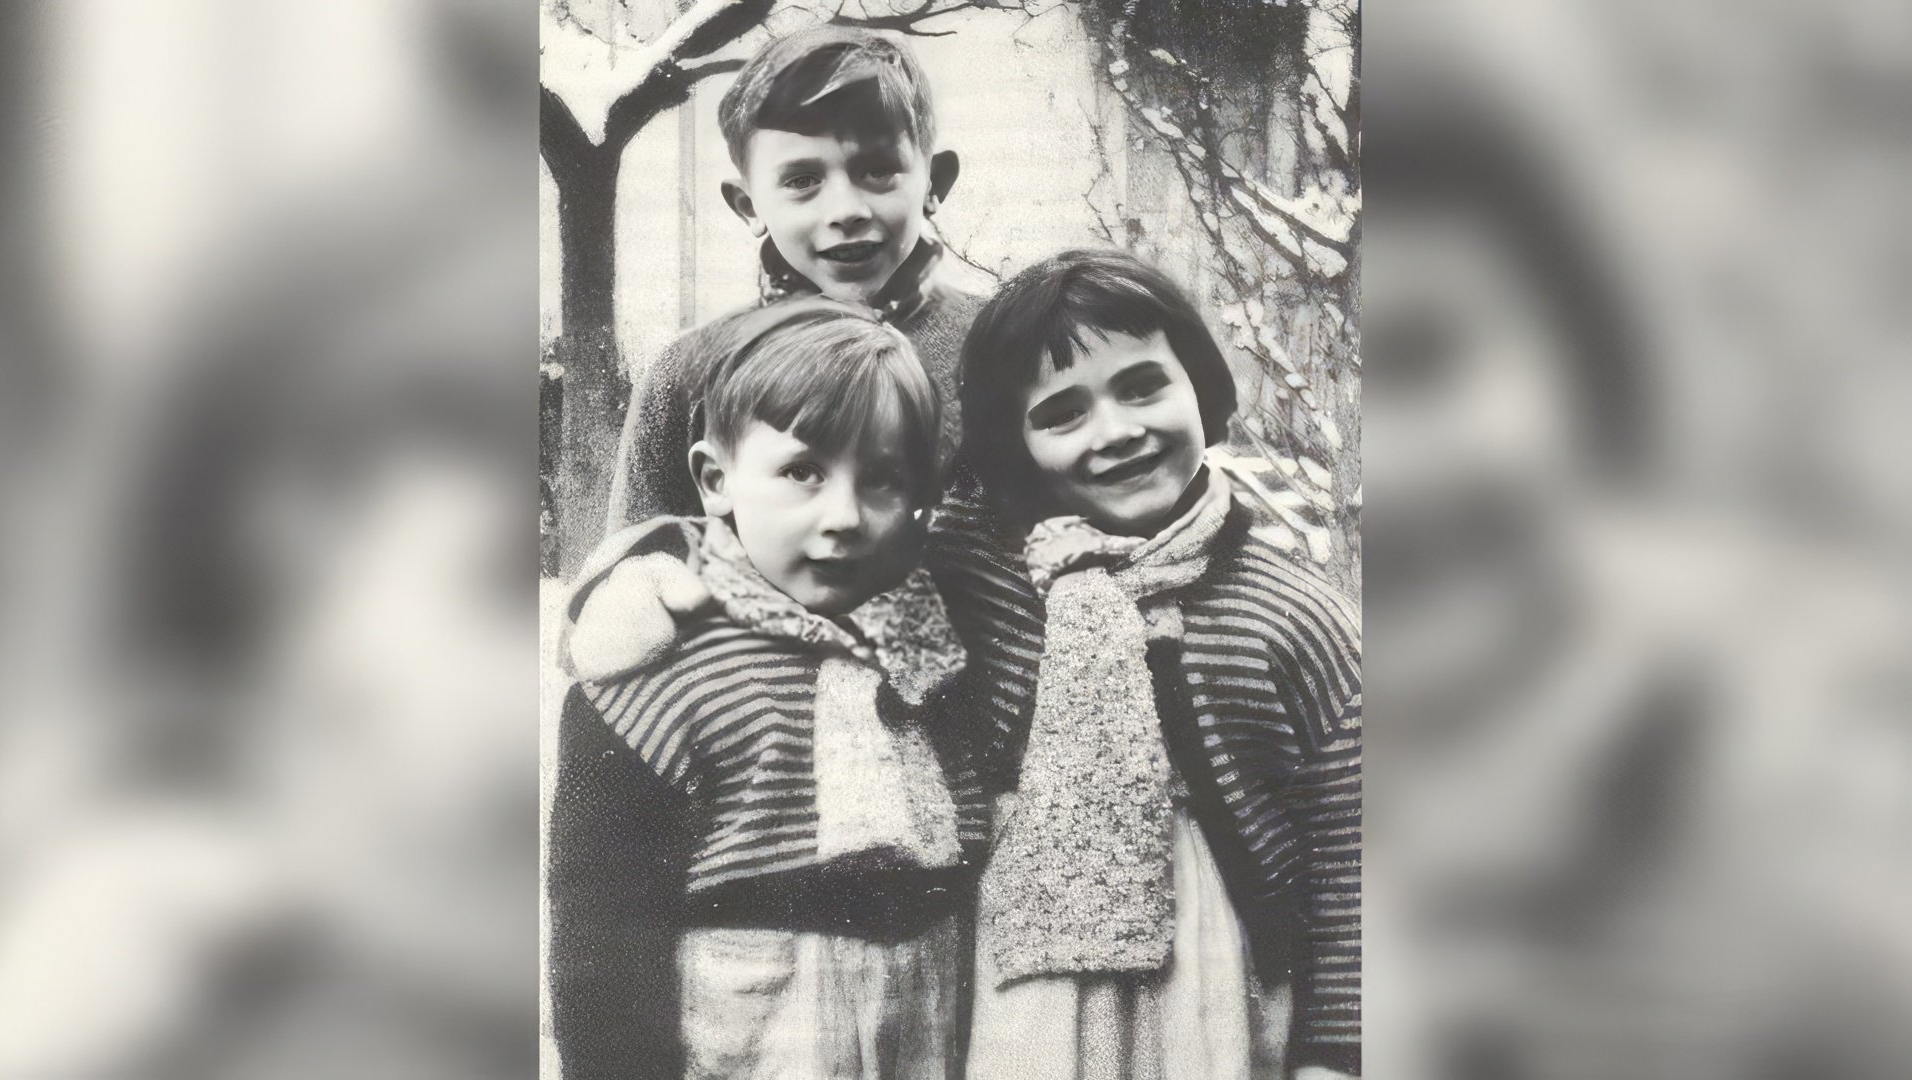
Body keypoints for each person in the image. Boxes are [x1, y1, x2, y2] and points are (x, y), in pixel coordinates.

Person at [546, 300, 992, 1080]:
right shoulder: (658, 665)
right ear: (715, 481)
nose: (843, 515)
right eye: (801, 472)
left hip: (919, 1028)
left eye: (884, 479)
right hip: (752, 1040)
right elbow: (600, 928)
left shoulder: (929, 653)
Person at [954, 249, 1363, 1080]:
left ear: (1200, 388)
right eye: (1061, 413)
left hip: (1213, 977)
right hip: (1010, 982)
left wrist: (1340, 1049)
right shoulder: (979, 586)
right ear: (1015, 442)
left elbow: (1356, 850)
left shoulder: (1289, 613)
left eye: (1143, 386)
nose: (1117, 431)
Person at [609, 24, 981, 529]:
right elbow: (637, 577)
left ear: (933, 182)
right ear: (748, 205)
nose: (846, 210)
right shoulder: (689, 376)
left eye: (876, 170)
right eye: (802, 181)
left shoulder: (1007, 345)